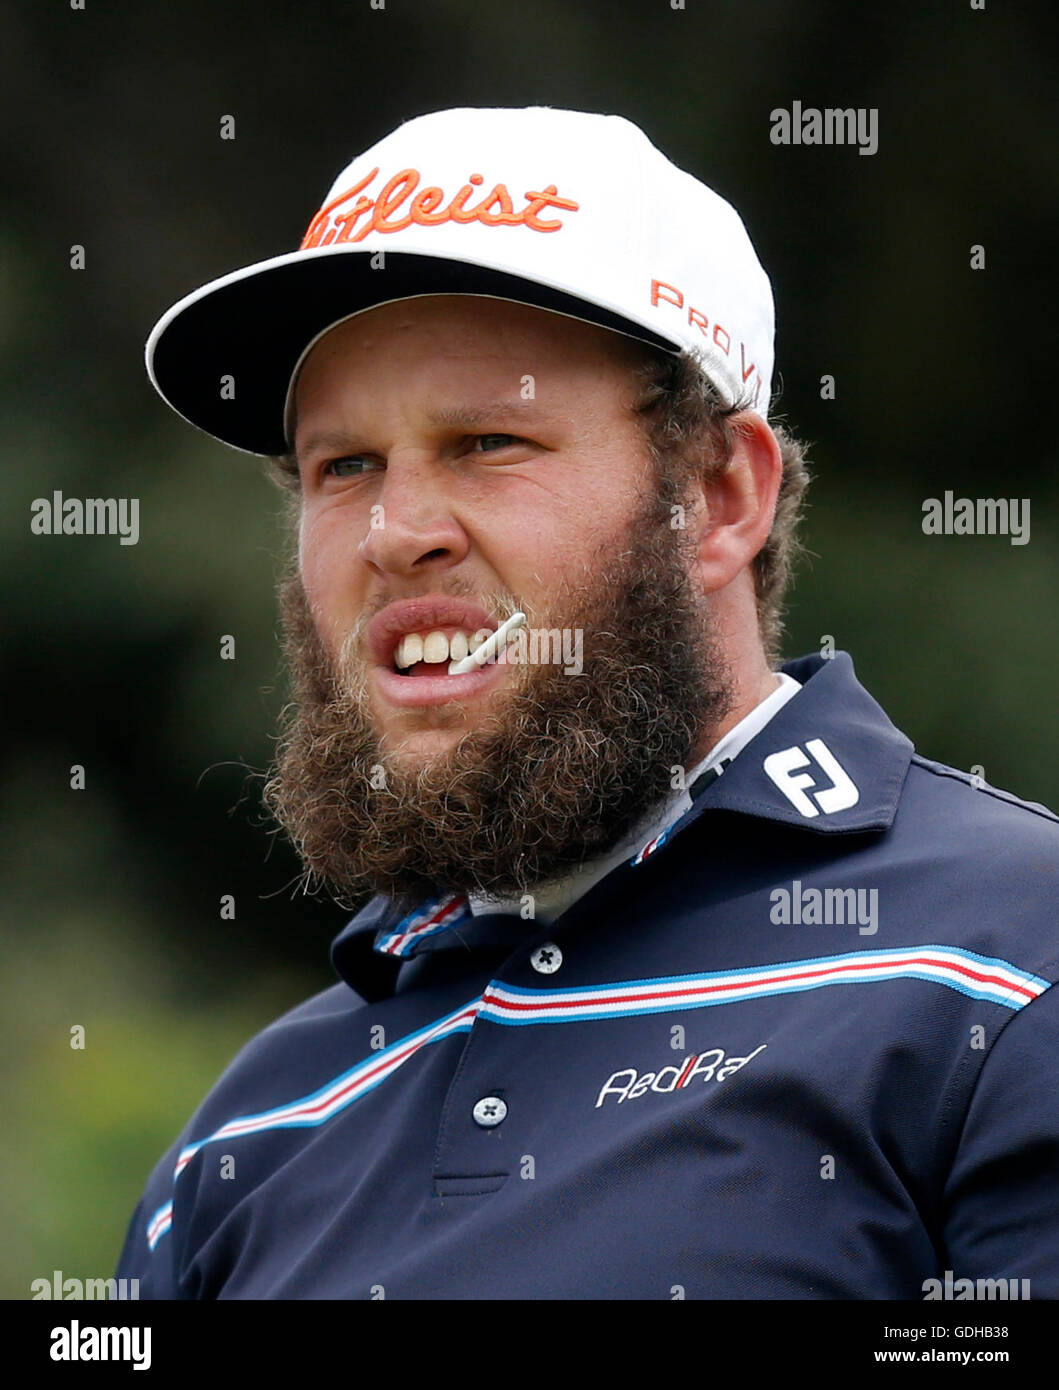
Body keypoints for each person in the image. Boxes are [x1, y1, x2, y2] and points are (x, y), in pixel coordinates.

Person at [117, 105, 1059, 1299]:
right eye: (343, 465)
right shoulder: (247, 1130)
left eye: (487, 442)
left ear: (719, 496)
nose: (397, 534)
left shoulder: (1014, 970)